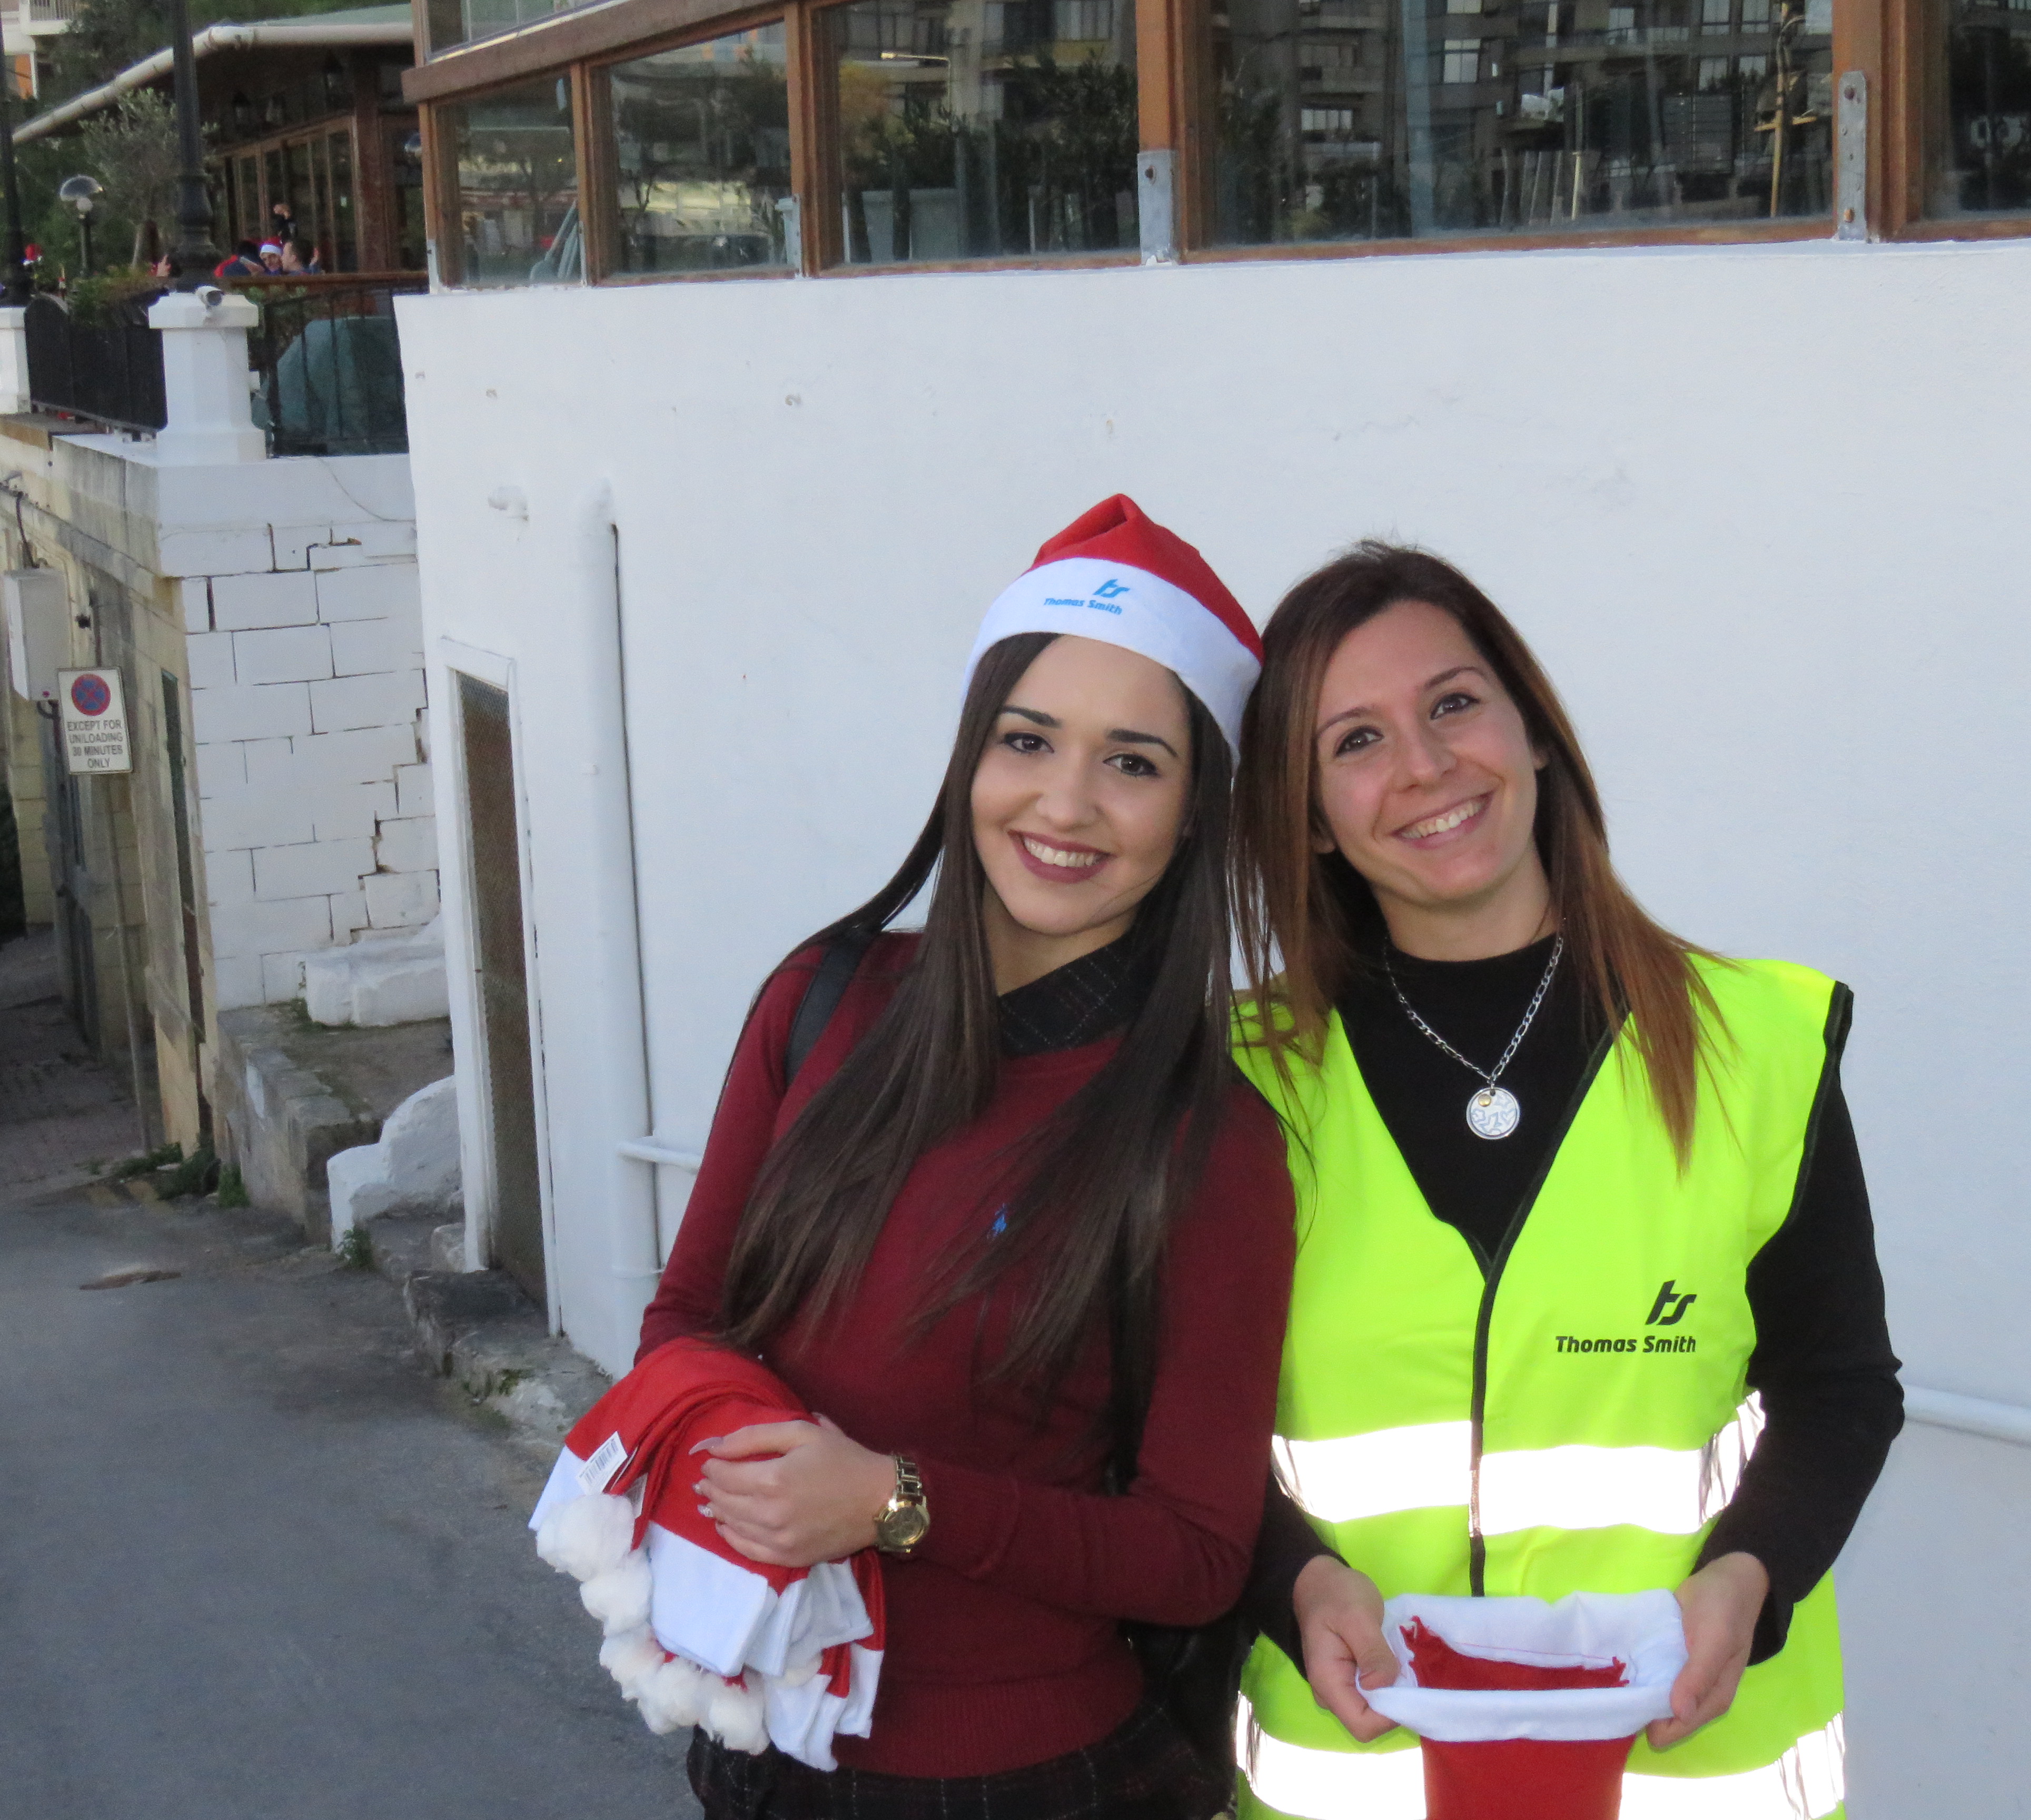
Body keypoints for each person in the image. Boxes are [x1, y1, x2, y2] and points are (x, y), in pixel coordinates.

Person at [640, 497, 1294, 1820]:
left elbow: (1195, 1554)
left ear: (1192, 813)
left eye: (1133, 762)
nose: (1065, 803)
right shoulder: (820, 1001)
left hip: (1029, 1782)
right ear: (969, 755)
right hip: (758, 1742)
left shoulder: (1206, 1138)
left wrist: (892, 1504)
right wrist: (736, 1460)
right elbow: (686, 1322)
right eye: (1028, 740)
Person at [1226, 542, 1904, 1820]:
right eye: (1355, 741)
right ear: (1308, 815)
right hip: (1355, 1776)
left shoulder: (1757, 1045)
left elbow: (1840, 1388)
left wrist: (1748, 1578)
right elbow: (1171, 1424)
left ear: (1534, 730)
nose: (1425, 768)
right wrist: (1300, 1583)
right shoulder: (1241, 1080)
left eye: (1454, 704)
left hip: (1688, 1774)